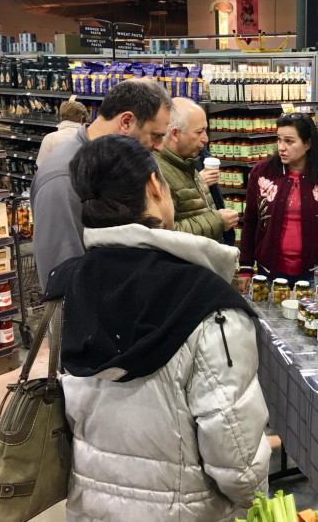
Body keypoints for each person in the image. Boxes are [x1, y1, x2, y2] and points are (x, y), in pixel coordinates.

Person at [44, 135, 271, 521]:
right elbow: (237, 458)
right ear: (155, 186)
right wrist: (255, 500)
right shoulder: (206, 302)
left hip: (90, 507)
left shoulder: (65, 285)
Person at [31, 79, 171, 290]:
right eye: (156, 135)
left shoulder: (122, 163)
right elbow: (60, 276)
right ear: (126, 122)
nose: (160, 146)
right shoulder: (63, 176)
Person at [238, 112, 318, 292]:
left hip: (316, 274)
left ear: (307, 143)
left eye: (289, 142)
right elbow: (250, 222)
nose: (281, 147)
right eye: (279, 140)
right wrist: (245, 267)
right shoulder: (263, 172)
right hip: (268, 273)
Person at [155, 97, 239, 241]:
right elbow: (163, 234)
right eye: (199, 132)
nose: (205, 139)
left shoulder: (187, 162)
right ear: (175, 134)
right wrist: (218, 221)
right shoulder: (158, 173)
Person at [197, 144, 237, 246]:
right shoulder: (163, 166)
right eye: (198, 132)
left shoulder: (200, 152)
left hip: (215, 240)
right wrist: (197, 182)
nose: (205, 138)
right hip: (199, 247)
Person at [35, 100, 89, 167]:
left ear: (62, 117)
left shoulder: (50, 138)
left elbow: (41, 166)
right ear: (82, 119)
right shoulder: (89, 138)